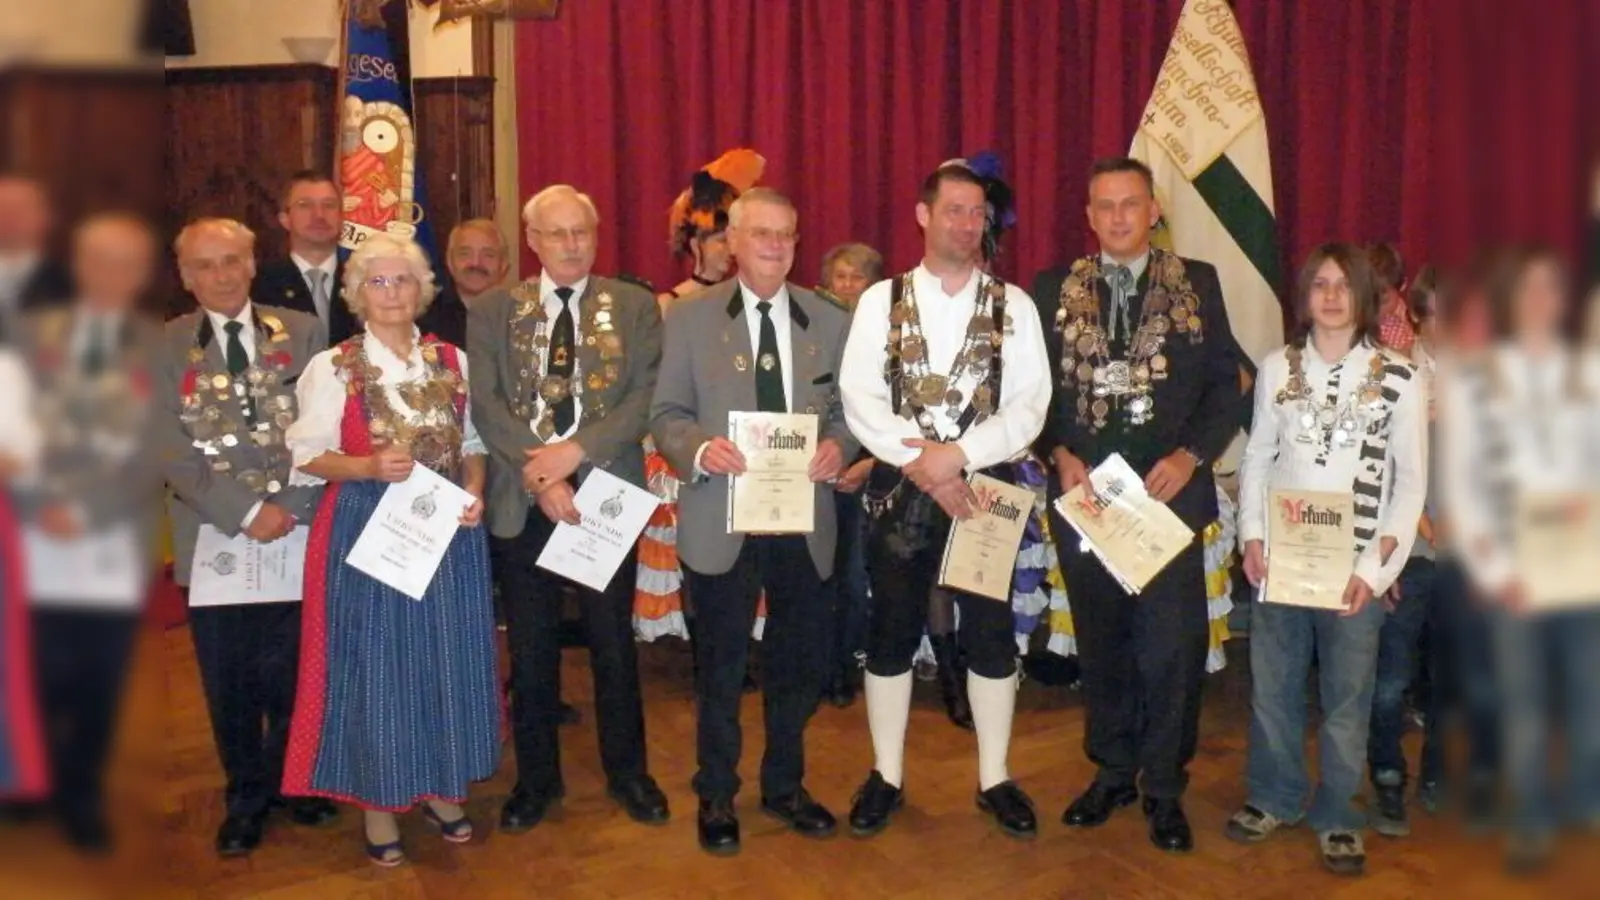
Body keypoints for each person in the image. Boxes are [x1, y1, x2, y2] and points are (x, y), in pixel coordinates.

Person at [1034, 157, 1243, 854]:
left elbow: (1227, 387)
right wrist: (1057, 451)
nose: (1119, 216)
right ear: (1088, 216)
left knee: (1171, 651)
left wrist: (1191, 456)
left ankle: (1164, 787)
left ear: (1154, 210)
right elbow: (1030, 396)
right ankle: (1113, 770)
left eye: (1131, 204)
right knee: (1104, 645)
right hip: (1087, 498)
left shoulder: (1198, 283)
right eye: (1105, 206)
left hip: (1167, 501)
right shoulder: (1052, 288)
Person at [840, 157, 1050, 840]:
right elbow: (860, 396)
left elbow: (1030, 407)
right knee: (892, 633)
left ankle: (995, 776)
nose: (967, 223)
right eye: (954, 210)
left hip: (985, 490)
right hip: (901, 490)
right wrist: (923, 462)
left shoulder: (1013, 305)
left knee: (990, 638)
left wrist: (956, 457)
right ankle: (887, 774)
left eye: (977, 213)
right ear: (923, 215)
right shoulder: (880, 301)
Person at [280, 233, 498, 867]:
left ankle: (443, 788)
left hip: (446, 535)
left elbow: (475, 444)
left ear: (423, 289)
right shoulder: (335, 366)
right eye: (377, 281)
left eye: (403, 280)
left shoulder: (452, 360)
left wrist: (474, 493)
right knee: (376, 664)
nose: (392, 292)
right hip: (363, 530)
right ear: (356, 294)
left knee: (444, 658)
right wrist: (369, 465)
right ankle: (379, 802)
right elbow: (305, 456)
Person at [652, 187, 855, 856]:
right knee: (720, 667)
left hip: (805, 521)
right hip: (721, 518)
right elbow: (667, 415)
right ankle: (715, 791)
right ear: (730, 243)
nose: (774, 245)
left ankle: (785, 786)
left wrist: (841, 447)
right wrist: (700, 449)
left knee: (796, 668)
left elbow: (849, 414)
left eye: (786, 236)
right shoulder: (687, 319)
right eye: (761, 233)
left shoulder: (830, 321)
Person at [468, 185, 669, 834]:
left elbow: (644, 399)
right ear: (532, 242)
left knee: (614, 644)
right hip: (523, 497)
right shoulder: (496, 309)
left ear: (596, 232)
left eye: (581, 231)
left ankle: (629, 774)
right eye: (556, 234)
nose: (571, 244)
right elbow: (487, 405)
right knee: (531, 652)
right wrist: (542, 473)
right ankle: (536, 781)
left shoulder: (634, 306)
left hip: (605, 492)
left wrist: (575, 453)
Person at [1228, 243, 1427, 876]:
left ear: (1366, 296)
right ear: (1304, 295)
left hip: (1354, 568)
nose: (1333, 296)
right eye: (1320, 283)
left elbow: (1411, 483)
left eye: (1345, 285)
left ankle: (1339, 813)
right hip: (1283, 560)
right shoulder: (1276, 367)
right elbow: (1257, 457)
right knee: (1274, 688)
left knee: (1348, 698)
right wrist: (1252, 537)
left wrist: (1375, 572)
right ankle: (1274, 795)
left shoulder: (1400, 375)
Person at [162, 218, 338, 856]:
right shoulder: (161, 347)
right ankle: (245, 797)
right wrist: (244, 512)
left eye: (232, 260)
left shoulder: (303, 332)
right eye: (206, 265)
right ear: (185, 277)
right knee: (229, 678)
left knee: (295, 670)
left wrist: (286, 508)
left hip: (297, 532)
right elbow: (168, 450)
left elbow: (326, 430)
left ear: (252, 262)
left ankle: (296, 783)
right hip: (213, 541)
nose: (222, 275)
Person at [1440, 247, 1600, 873]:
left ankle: (1585, 796)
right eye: (1527, 288)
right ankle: (1531, 817)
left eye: (1550, 289)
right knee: (1525, 706)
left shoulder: (1589, 373)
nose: (1539, 300)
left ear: (1562, 302)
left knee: (1590, 699)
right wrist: (1495, 572)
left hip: (1584, 570)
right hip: (1516, 571)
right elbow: (1465, 485)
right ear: (1512, 300)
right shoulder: (1479, 380)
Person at [12, 214, 163, 852]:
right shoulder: (26, 335)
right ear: (78, 266)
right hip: (34, 538)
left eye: (127, 263)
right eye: (100, 261)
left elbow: (157, 445)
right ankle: (33, 783)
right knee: (39, 669)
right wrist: (41, 502)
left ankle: (81, 794)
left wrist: (90, 511)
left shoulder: (157, 344)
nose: (112, 276)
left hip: (113, 540)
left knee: (102, 679)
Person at [1365, 264, 1440, 839]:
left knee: (1453, 670)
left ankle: (1439, 772)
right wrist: (1420, 522)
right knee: (1391, 674)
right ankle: (1387, 771)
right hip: (1409, 551)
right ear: (1415, 315)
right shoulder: (1398, 373)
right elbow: (1384, 469)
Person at [818, 242, 883, 708]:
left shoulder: (888, 340)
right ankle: (825, 666)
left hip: (873, 475)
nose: (845, 285)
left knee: (857, 578)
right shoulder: (817, 334)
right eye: (838, 276)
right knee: (825, 575)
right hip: (825, 473)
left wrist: (866, 466)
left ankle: (851, 665)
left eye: (855, 277)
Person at [250, 170, 358, 345]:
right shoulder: (258, 286)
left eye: (329, 205)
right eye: (305, 205)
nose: (319, 215)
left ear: (342, 217)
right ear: (285, 219)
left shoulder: (362, 281)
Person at [659, 149, 765, 309]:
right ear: (696, 244)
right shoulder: (668, 304)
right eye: (722, 240)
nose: (731, 249)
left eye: (733, 240)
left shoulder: (746, 303)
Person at [419, 218, 508, 347]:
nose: (476, 263)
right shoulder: (423, 318)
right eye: (465, 254)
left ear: (504, 264)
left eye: (488, 255)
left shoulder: (523, 318)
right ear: (449, 261)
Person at [0, 175, 71, 323]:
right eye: (2, 207)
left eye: (22, 208)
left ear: (47, 217)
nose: (10, 216)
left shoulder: (71, 282)